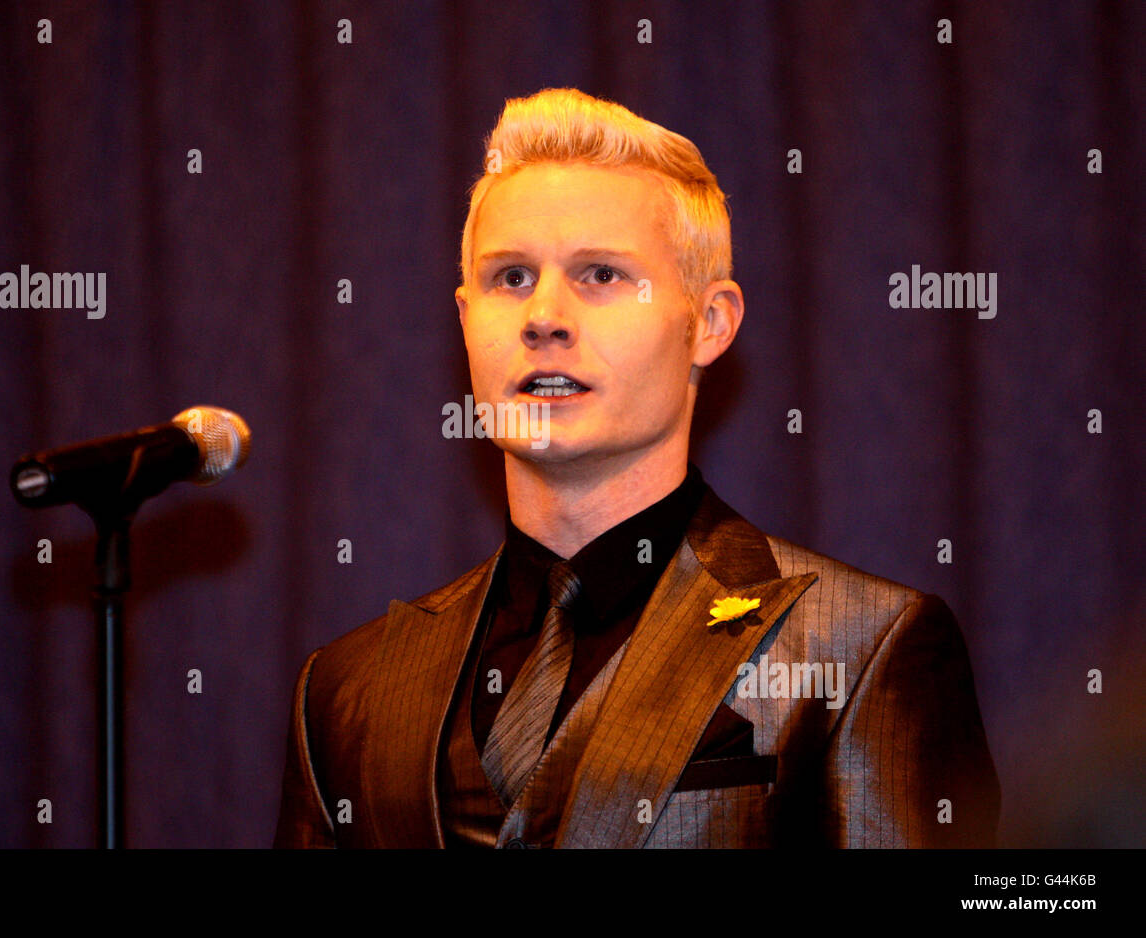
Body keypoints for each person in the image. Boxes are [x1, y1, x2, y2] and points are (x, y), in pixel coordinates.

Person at [274, 88, 1000, 848]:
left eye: (601, 275)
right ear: (464, 319)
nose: (544, 316)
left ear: (708, 324)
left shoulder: (856, 650)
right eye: (511, 277)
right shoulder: (345, 688)